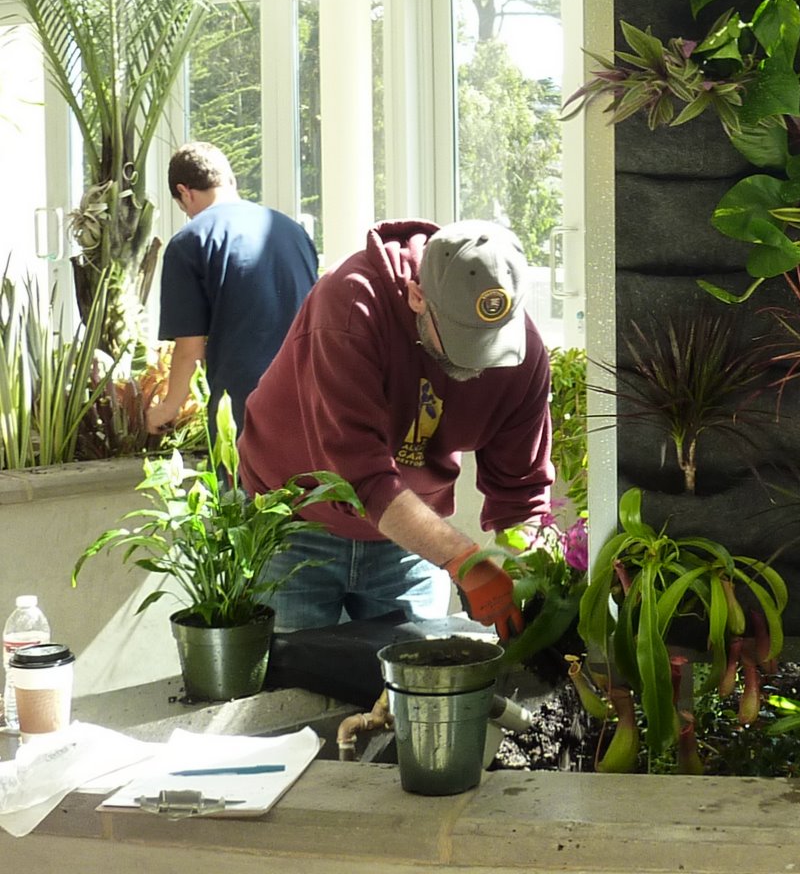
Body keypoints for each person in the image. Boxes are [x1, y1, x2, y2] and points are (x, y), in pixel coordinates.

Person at [237, 219, 552, 639]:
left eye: (491, 342)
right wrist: (463, 560)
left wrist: (527, 579)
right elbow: (358, 478)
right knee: (293, 687)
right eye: (462, 340)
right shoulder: (349, 305)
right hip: (296, 527)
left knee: (415, 692)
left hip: (408, 544)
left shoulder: (522, 355)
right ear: (417, 296)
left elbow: (522, 494)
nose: (477, 363)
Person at [147, 142, 319, 434]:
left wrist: (167, 408)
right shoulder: (294, 232)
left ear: (185, 193)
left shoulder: (189, 242)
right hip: (311, 395)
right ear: (230, 180)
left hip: (244, 406)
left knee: (243, 481)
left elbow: (190, 348)